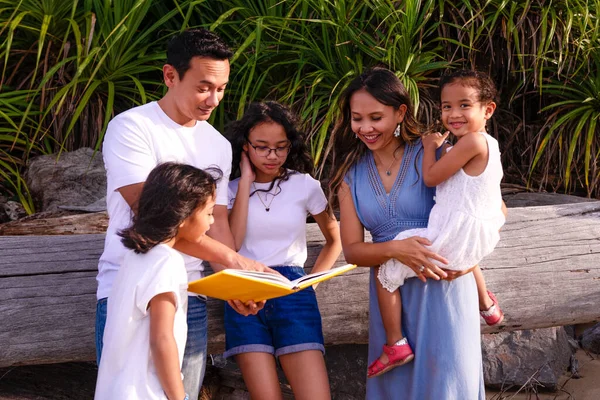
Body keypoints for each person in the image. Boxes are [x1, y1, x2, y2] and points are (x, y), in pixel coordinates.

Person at [96, 28, 270, 400]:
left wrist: (234, 280)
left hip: (191, 293)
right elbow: (154, 216)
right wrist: (232, 259)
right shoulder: (132, 128)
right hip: (131, 290)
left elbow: (217, 220)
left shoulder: (218, 145)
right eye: (204, 86)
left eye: (221, 88)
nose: (213, 99)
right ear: (170, 76)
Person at [328, 67, 506, 399]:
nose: (365, 128)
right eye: (357, 118)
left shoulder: (435, 152)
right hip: (391, 298)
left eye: (376, 117)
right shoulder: (348, 177)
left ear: (400, 112)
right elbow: (352, 251)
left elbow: (491, 205)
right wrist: (397, 250)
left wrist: (470, 259)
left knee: (448, 386)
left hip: (445, 288)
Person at [224, 102, 342, 400]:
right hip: (244, 293)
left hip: (293, 291)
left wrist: (311, 282)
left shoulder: (304, 185)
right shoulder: (228, 190)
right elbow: (232, 244)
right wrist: (246, 182)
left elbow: (335, 238)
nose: (272, 155)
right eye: (261, 147)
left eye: (280, 147)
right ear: (245, 147)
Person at [95, 162, 219, 400]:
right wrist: (179, 397)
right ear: (184, 215)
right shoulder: (166, 263)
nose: (211, 222)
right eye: (209, 213)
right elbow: (162, 339)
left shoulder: (134, 257)